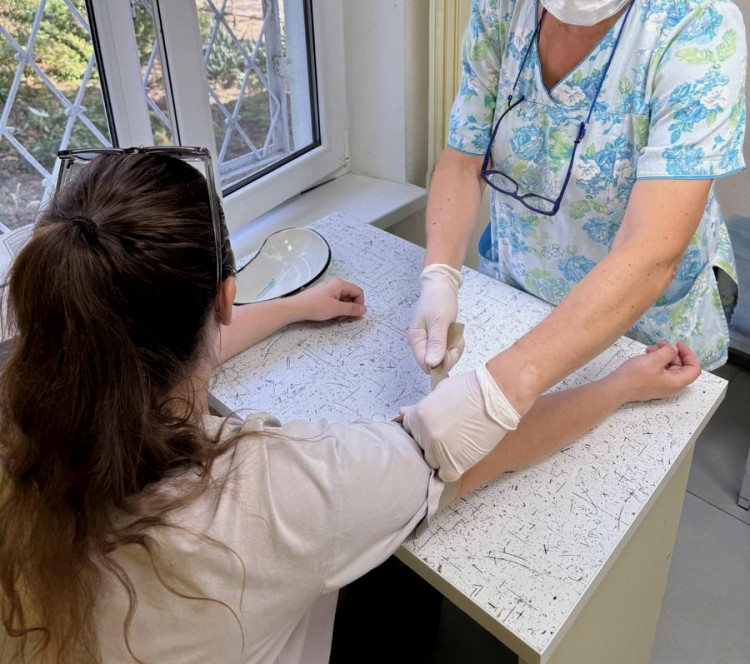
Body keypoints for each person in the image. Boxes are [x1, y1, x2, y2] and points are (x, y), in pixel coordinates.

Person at [0, 148, 700, 663]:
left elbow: (146, 350)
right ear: (224, 297)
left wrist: (295, 305)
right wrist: (617, 385)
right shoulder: (275, 492)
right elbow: (451, 447)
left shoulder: (26, 403)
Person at [409, 0, 747, 379]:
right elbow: (463, 159)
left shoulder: (696, 28)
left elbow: (652, 249)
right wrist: (440, 275)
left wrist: (509, 383)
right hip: (519, 291)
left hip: (642, 326)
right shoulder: (504, 4)